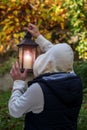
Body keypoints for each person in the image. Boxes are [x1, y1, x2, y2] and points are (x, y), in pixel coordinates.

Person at [8, 23, 83, 130]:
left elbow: (15, 110)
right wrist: (38, 36)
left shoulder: (39, 89)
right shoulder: (75, 80)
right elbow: (59, 56)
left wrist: (18, 82)